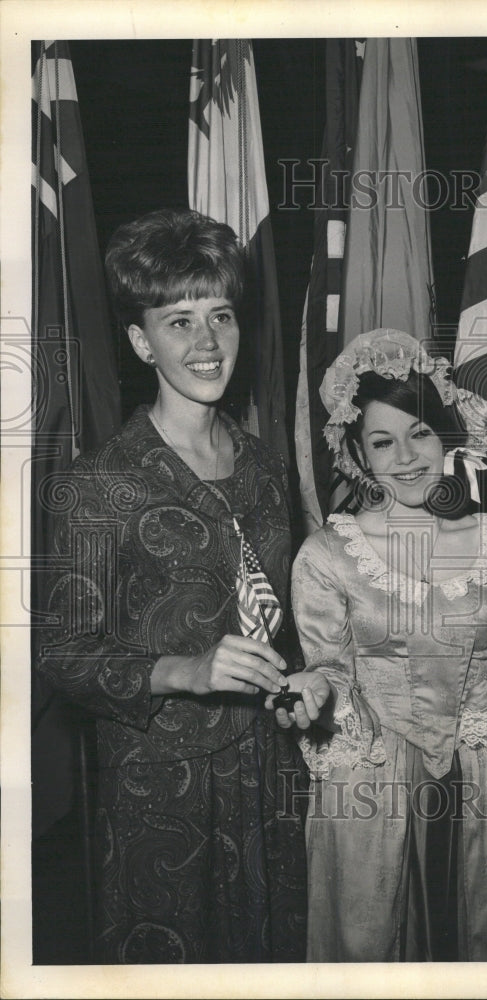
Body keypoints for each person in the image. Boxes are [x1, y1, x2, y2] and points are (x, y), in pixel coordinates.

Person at [36, 208, 307, 963]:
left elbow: (283, 628)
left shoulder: (266, 469)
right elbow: (60, 650)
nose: (207, 341)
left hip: (272, 775)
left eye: (220, 314)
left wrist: (309, 683)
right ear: (139, 341)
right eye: (179, 320)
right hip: (160, 792)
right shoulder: (98, 484)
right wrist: (182, 671)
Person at [272, 328, 487, 962]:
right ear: (357, 455)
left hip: (474, 784)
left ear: (448, 433)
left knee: (473, 938)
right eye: (382, 442)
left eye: (420, 432)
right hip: (369, 787)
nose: (407, 457)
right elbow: (331, 671)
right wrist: (314, 688)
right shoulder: (327, 555)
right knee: (370, 941)